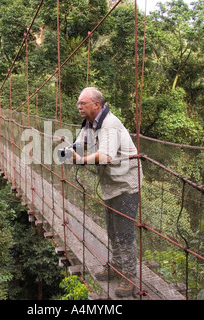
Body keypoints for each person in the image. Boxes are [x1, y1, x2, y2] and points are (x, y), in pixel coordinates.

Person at [71, 87, 142, 297]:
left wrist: (82, 160)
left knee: (125, 233)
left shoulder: (110, 124)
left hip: (126, 185)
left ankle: (128, 277)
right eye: (78, 103)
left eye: (82, 103)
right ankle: (116, 265)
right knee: (112, 229)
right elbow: (80, 144)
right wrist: (70, 150)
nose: (79, 107)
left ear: (96, 105)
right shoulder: (90, 124)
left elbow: (107, 156)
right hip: (111, 185)